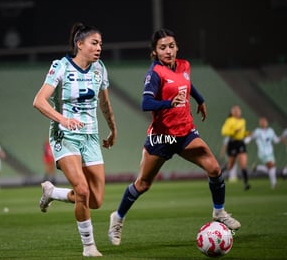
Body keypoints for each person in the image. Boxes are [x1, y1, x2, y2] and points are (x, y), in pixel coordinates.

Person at [107, 28, 241, 247]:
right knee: (142, 184)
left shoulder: (184, 65)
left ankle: (219, 213)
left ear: (176, 47)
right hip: (162, 138)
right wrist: (170, 103)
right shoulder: (155, 73)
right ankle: (118, 217)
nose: (168, 51)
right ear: (155, 52)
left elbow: (187, 84)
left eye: (171, 46)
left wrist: (200, 99)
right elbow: (146, 104)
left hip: (186, 133)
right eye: (162, 48)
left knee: (215, 169)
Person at [33, 22, 117, 257]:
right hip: (65, 135)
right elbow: (39, 101)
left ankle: (53, 193)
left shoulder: (100, 68)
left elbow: (105, 103)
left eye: (100, 43)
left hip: (90, 136)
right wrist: (63, 119)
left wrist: (113, 129)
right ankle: (89, 246)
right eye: (94, 43)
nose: (99, 47)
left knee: (96, 200)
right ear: (79, 44)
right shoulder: (60, 66)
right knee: (81, 190)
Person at [221, 105, 251, 190]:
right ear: (232, 112)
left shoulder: (242, 121)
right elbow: (224, 131)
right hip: (232, 143)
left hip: (240, 143)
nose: (238, 112)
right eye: (235, 111)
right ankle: (218, 173)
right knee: (230, 166)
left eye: (238, 110)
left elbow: (242, 133)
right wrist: (234, 131)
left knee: (243, 164)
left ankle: (246, 183)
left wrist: (246, 134)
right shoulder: (229, 120)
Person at [245, 117, 280, 189]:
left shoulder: (271, 131)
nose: (263, 123)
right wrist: (245, 141)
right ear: (259, 123)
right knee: (271, 166)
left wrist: (281, 138)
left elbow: (276, 140)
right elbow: (250, 137)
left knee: (271, 168)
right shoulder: (257, 131)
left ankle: (257, 168)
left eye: (264, 121)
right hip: (262, 152)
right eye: (261, 122)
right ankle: (274, 184)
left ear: (267, 123)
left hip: (270, 152)